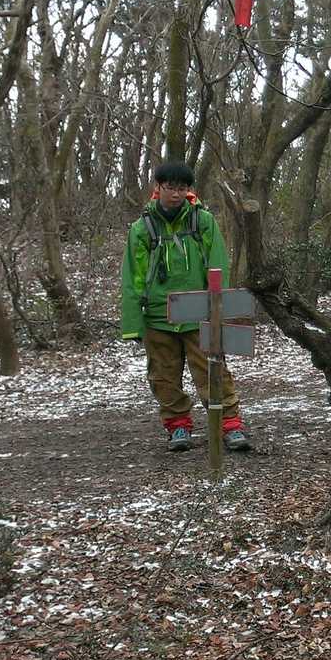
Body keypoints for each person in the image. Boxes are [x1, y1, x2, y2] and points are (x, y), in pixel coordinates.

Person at [120, 160, 252, 453]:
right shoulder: (142, 228)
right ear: (158, 188)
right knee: (163, 376)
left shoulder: (201, 221)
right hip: (158, 316)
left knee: (212, 370)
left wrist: (220, 309)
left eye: (182, 188)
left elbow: (218, 266)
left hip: (200, 313)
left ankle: (230, 425)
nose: (176, 194)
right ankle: (178, 426)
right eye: (171, 188)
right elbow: (132, 278)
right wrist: (132, 324)